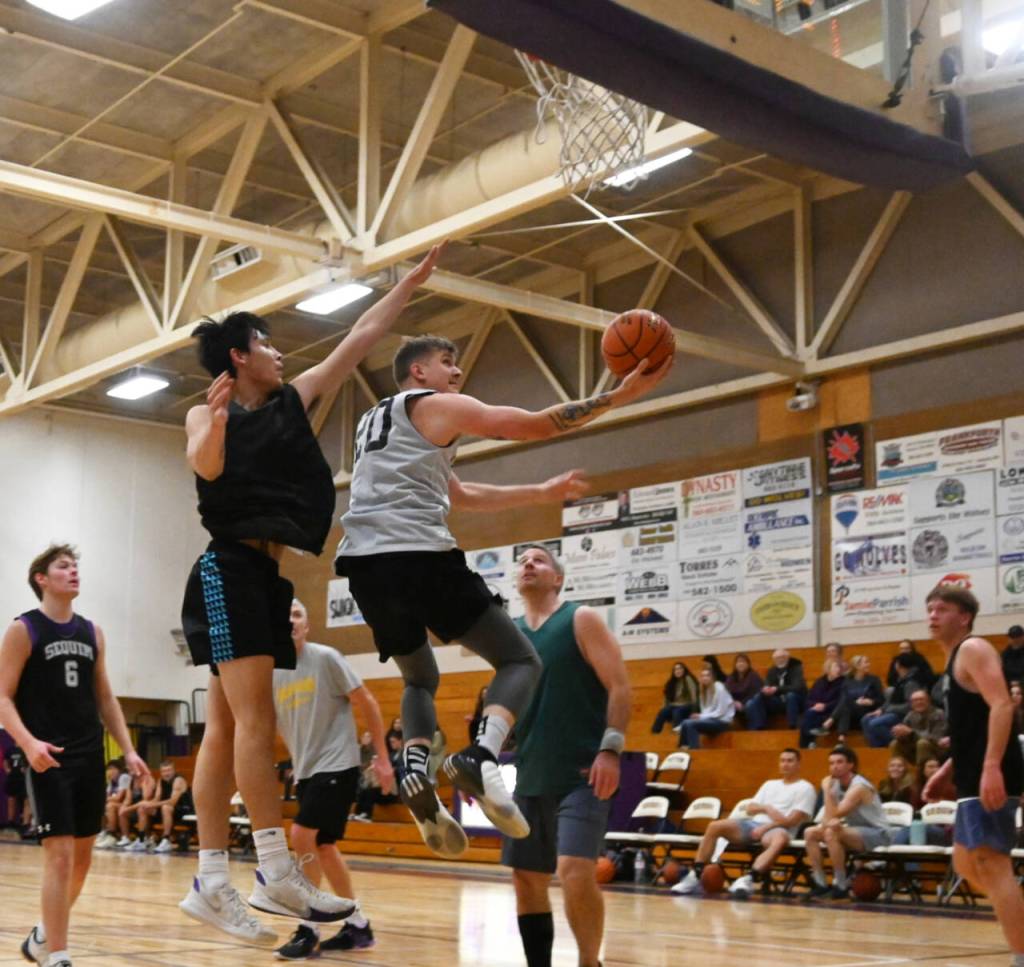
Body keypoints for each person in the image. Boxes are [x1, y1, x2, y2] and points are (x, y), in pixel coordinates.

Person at [178, 245, 445, 940]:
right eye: (265, 342)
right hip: (227, 567)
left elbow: (359, 339)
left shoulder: (291, 401)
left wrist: (408, 287)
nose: (279, 352)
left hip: (264, 574)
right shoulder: (204, 413)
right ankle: (273, 867)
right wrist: (219, 422)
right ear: (239, 356)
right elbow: (205, 468)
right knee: (254, 722)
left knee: (226, 729)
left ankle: (211, 879)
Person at [335, 331, 670, 858]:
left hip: (363, 564)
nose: (456, 373)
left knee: (419, 678)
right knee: (520, 660)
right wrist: (620, 395)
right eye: (447, 362)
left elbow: (461, 494)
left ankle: (415, 768)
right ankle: (482, 754)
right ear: (418, 372)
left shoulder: (374, 422)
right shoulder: (438, 404)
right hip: (417, 552)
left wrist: (539, 493)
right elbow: (531, 424)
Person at [0, 544, 146, 967]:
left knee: (82, 860)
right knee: (60, 856)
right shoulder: (24, 630)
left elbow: (105, 697)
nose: (74, 571)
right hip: (49, 757)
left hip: (89, 758)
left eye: (76, 565)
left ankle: (44, 935)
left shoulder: (92, 632)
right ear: (42, 579)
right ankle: (58, 955)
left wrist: (130, 751)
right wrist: (28, 744)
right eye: (63, 566)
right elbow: (3, 698)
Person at [504, 544, 630, 967]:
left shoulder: (580, 619)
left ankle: (589, 963)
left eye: (539, 560)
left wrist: (610, 749)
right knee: (526, 879)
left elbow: (620, 686)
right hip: (530, 773)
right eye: (523, 561)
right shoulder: (511, 634)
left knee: (575, 869)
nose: (528, 565)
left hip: (583, 773)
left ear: (557, 578)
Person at [270, 599, 393, 959]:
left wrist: (383, 759)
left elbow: (367, 701)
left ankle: (308, 928)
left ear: (306, 626)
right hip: (308, 769)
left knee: (300, 836)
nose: (290, 620)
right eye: (284, 614)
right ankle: (356, 925)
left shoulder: (326, 658)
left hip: (338, 765)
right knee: (323, 846)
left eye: (297, 614)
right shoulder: (273, 672)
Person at [921, 587, 1024, 964]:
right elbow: (971, 725)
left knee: (990, 863)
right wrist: (946, 770)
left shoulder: (973, 649)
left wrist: (992, 766)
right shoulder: (951, 661)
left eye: (942, 609)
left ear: (964, 617)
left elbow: (1001, 706)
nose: (932, 615)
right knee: (965, 863)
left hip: (991, 770)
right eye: (929, 609)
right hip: (970, 772)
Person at [672, 748, 815, 898]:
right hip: (754, 824)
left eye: (790, 761)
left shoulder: (805, 788)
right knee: (715, 826)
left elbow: (791, 821)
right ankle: (696, 874)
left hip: (778, 830)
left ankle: (748, 879)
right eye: (783, 760)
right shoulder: (769, 784)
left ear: (799, 764)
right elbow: (750, 809)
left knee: (780, 839)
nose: (785, 764)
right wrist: (766, 808)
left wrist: (767, 826)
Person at [803, 746, 893, 901]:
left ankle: (841, 884)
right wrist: (830, 822)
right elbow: (827, 819)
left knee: (832, 832)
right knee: (810, 832)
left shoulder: (859, 787)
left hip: (879, 834)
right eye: (831, 763)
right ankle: (820, 884)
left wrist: (826, 791)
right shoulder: (836, 784)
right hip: (854, 832)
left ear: (851, 765)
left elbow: (835, 813)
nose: (834, 766)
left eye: (839, 762)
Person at [862, 653, 925, 748]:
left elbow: (910, 705)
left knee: (874, 724)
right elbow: (890, 700)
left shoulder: (911, 682)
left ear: (899, 666)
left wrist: (889, 709)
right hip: (892, 711)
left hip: (903, 715)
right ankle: (877, 748)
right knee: (865, 719)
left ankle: (900, 746)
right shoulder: (901, 680)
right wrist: (881, 710)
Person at [814, 655, 882, 742]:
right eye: (866, 662)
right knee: (846, 704)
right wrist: (855, 702)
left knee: (846, 702)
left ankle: (829, 723)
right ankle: (841, 737)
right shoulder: (847, 681)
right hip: (850, 714)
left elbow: (881, 700)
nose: (869, 664)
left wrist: (871, 701)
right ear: (857, 666)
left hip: (867, 711)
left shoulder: (874, 680)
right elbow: (842, 699)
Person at [136, 760, 193, 854]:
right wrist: (147, 804)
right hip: (167, 809)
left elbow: (173, 801)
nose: (166, 773)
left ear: (174, 770)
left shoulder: (178, 780)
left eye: (169, 770)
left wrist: (152, 804)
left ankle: (166, 840)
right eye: (164, 771)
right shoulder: (160, 781)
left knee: (166, 807)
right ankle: (142, 839)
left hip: (184, 809)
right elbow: (157, 798)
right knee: (143, 809)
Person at [745, 649, 806, 730]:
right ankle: (758, 727)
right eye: (776, 658)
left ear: (788, 657)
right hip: (779, 701)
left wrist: (777, 689)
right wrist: (766, 689)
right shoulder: (772, 670)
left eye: (782, 657)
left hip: (796, 700)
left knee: (791, 695)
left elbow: (797, 687)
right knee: (759, 697)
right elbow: (767, 683)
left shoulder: (796, 668)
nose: (779, 660)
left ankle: (792, 726)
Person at [677, 667, 735, 749]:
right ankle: (683, 748)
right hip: (711, 720)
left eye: (708, 675)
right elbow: (706, 711)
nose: (705, 678)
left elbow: (721, 712)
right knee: (685, 722)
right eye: (702, 676)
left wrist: (701, 716)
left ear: (712, 677)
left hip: (722, 721)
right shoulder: (703, 691)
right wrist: (699, 716)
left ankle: (695, 750)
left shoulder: (719, 688)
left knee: (690, 724)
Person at [889, 688, 948, 765]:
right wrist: (899, 734)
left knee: (922, 743)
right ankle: (898, 772)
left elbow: (936, 738)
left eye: (921, 699)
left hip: (937, 750)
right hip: (916, 750)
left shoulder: (939, 714)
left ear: (928, 701)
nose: (918, 702)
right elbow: (906, 735)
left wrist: (911, 733)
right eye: (915, 700)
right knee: (894, 743)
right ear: (911, 704)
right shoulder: (910, 715)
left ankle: (921, 774)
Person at [798, 660, 844, 748]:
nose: (838, 669)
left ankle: (806, 745)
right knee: (808, 714)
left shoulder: (843, 682)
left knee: (807, 720)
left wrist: (825, 706)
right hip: (816, 711)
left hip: (832, 712)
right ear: (828, 669)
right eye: (836, 667)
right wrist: (815, 705)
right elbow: (809, 699)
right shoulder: (819, 682)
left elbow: (841, 701)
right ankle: (808, 743)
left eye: (839, 667)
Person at [650, 662, 698, 734]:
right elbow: (667, 698)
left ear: (684, 670)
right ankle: (655, 732)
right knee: (663, 712)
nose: (678, 671)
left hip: (688, 705)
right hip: (675, 705)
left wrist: (695, 710)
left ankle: (677, 733)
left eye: (680, 668)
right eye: (675, 669)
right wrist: (664, 708)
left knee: (676, 711)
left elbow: (694, 695)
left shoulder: (688, 678)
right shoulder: (672, 682)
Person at [116, 768, 157, 848]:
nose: (129, 770)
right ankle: (126, 838)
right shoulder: (131, 781)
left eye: (131, 768)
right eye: (129, 769)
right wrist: (123, 806)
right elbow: (128, 799)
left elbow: (146, 798)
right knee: (122, 810)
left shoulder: (149, 779)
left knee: (141, 809)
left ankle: (142, 839)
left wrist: (143, 784)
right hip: (136, 807)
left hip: (150, 809)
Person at [95, 760, 131, 849]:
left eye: (113, 769)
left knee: (109, 805)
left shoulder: (124, 777)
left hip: (127, 804)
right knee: (100, 805)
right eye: (108, 769)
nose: (110, 771)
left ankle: (112, 834)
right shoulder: (112, 781)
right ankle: (103, 832)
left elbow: (119, 797)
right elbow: (106, 796)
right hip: (117, 804)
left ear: (119, 769)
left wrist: (105, 799)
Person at [723, 653, 763, 726]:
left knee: (751, 704)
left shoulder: (753, 676)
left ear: (748, 664)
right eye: (738, 662)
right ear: (735, 664)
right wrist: (734, 702)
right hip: (733, 703)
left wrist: (742, 703)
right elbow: (726, 693)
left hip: (748, 702)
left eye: (743, 662)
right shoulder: (731, 677)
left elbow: (755, 693)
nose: (741, 664)